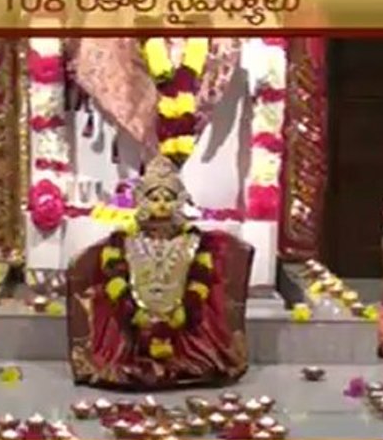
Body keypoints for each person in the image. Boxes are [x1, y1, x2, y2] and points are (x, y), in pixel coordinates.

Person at [67, 155, 251, 389]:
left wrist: (188, 304)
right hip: (132, 323)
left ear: (179, 201)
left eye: (168, 198)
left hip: (183, 320)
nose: (161, 204)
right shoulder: (122, 240)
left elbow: (202, 281)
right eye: (154, 198)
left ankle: (179, 353)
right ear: (143, 201)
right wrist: (132, 309)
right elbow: (112, 276)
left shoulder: (194, 240)